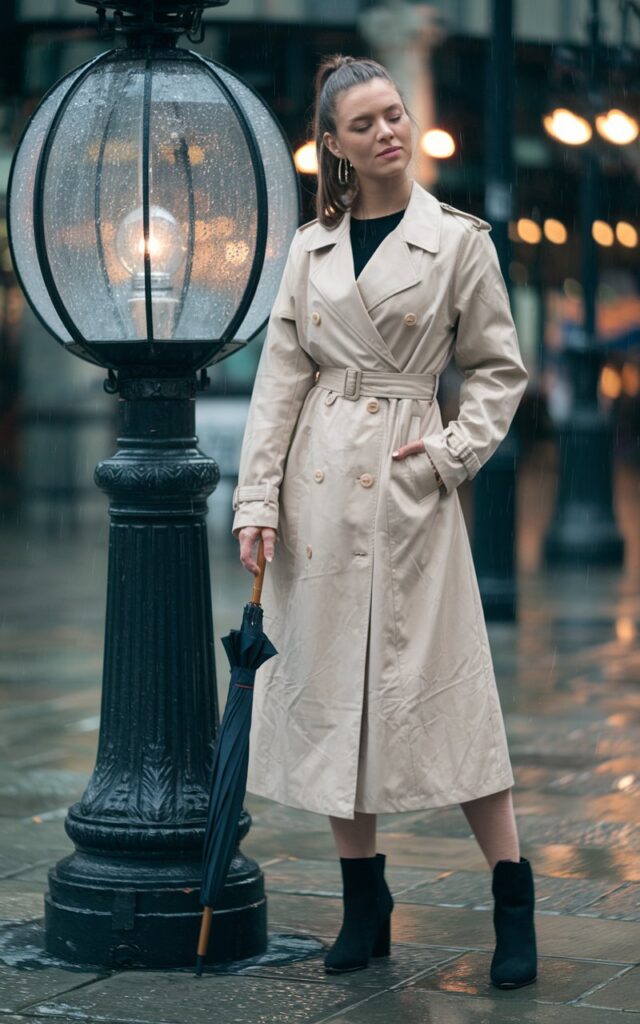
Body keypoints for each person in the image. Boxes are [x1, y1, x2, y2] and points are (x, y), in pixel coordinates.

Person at [231, 54, 536, 990]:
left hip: (409, 483)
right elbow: (279, 383)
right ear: (335, 145)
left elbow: (497, 369)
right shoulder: (309, 249)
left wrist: (448, 458)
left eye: (394, 115)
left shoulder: (457, 240)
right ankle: (365, 899)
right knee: (331, 702)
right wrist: (255, 500)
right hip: (318, 491)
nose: (388, 133)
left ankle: (512, 896)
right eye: (364, 124)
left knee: (449, 695)